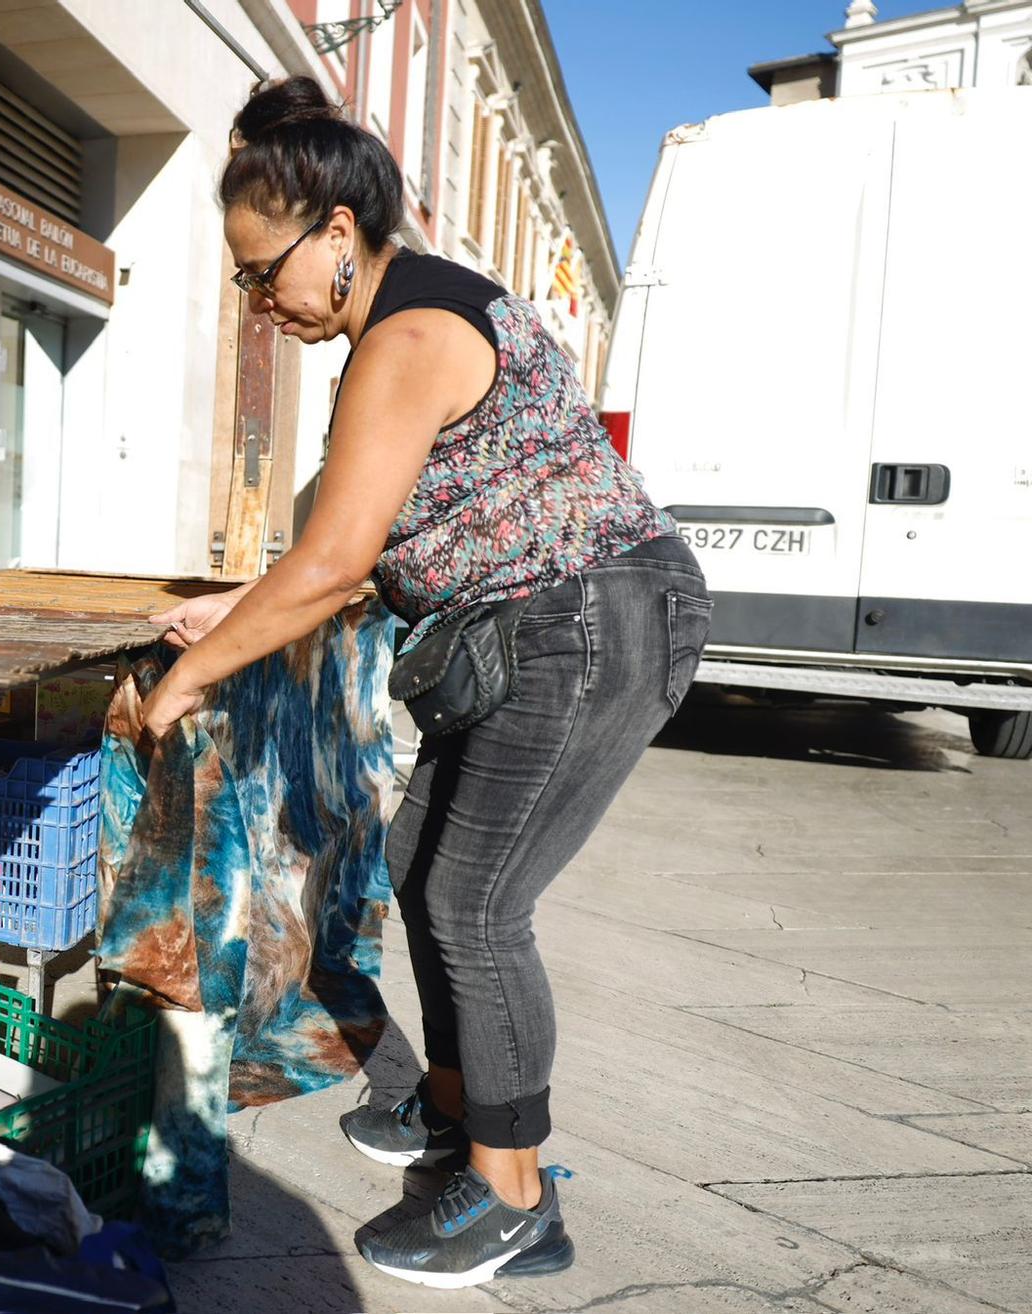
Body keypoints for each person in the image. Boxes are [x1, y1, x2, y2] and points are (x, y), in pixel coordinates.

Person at [140, 76, 713, 1289]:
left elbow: (337, 559)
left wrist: (189, 673)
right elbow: (340, 550)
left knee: (474, 905)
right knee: (418, 869)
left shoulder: (403, 338)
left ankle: (511, 1195)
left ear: (334, 233)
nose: (257, 303)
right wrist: (233, 607)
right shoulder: (408, 315)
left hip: (584, 623)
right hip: (547, 625)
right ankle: (458, 1124)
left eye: (262, 273)